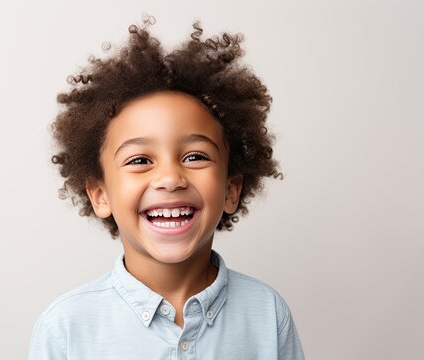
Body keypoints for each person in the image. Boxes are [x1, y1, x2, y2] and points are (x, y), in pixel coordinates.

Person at [28, 15, 305, 360]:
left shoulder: (267, 313)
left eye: (194, 156)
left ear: (231, 189)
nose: (171, 178)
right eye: (140, 160)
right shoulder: (66, 328)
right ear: (100, 195)